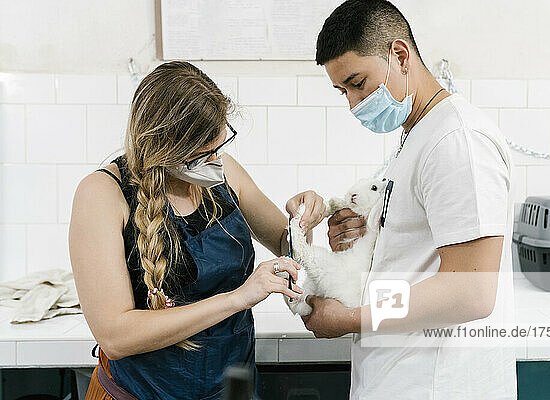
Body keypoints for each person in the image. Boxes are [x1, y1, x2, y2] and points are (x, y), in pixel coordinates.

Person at [293, 1, 517, 399]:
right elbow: (414, 253)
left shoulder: (457, 141)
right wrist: (352, 227)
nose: (352, 104)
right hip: (398, 378)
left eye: (358, 83)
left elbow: (472, 292)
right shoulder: (417, 136)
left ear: (399, 55)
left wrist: (350, 318)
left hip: (436, 385)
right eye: (342, 90)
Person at [69, 61, 327, 400]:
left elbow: (286, 243)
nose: (218, 160)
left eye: (220, 145)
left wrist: (301, 222)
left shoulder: (224, 172)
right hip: (141, 394)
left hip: (232, 390)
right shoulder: (102, 194)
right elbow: (115, 337)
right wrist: (237, 298)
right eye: (204, 154)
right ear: (165, 149)